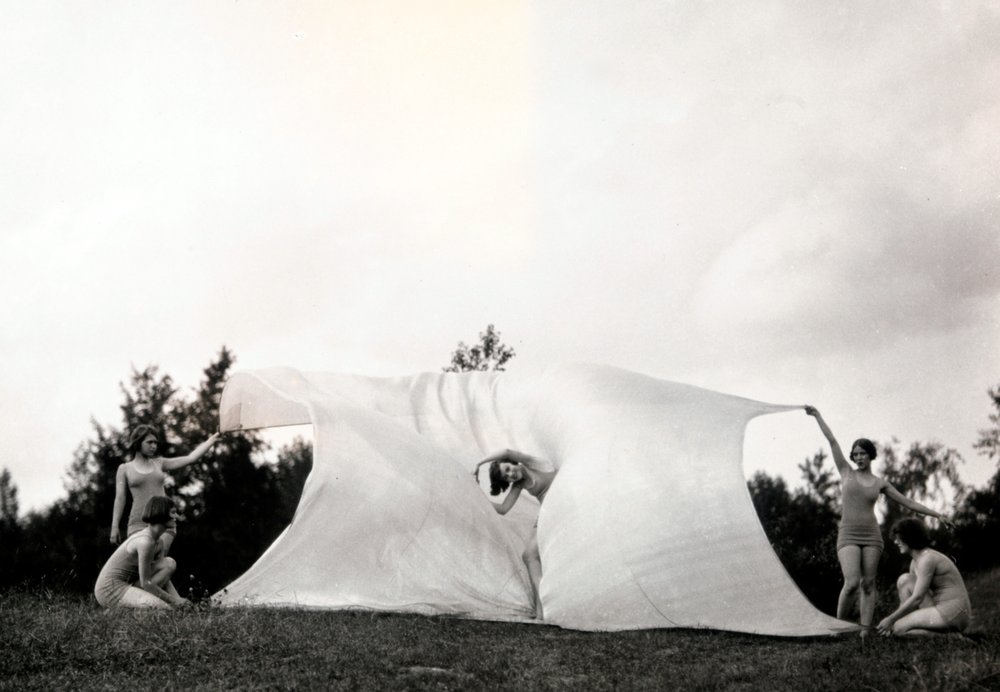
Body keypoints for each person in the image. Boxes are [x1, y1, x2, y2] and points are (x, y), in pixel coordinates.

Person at [804, 406, 953, 635]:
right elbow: (832, 441)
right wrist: (817, 416)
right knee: (852, 582)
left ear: (870, 455)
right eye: (855, 453)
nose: (859, 457)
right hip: (848, 534)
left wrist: (937, 514)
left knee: (868, 584)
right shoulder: (846, 472)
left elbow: (908, 502)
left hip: (872, 536)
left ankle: (865, 632)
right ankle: (837, 630)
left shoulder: (879, 482)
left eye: (863, 453)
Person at [111, 424, 220, 556]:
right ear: (138, 442)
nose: (154, 446)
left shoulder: (159, 463)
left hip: (164, 521)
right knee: (143, 567)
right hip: (138, 524)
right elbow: (120, 498)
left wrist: (211, 440)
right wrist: (115, 526)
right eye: (150, 442)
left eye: (155, 443)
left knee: (158, 561)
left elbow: (190, 458)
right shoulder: (124, 468)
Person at [473, 449, 557, 619]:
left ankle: (544, 611)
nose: (512, 475)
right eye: (507, 477)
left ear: (513, 463)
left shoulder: (531, 463)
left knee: (533, 555)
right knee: (529, 556)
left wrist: (479, 464)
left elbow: (507, 451)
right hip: (549, 512)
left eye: (508, 469)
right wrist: (477, 495)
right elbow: (503, 509)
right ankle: (541, 611)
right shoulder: (518, 485)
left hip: (561, 503)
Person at [877, 518, 971, 636]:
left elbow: (917, 598)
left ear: (910, 537)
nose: (896, 542)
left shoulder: (927, 559)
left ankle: (951, 637)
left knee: (898, 629)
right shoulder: (915, 561)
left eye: (899, 538)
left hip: (954, 612)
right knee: (904, 580)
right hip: (938, 608)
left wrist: (891, 620)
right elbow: (908, 599)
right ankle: (940, 632)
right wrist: (894, 621)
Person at [95, 496, 190, 609]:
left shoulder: (158, 541)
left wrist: (178, 599)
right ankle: (120, 609)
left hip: (130, 584)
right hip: (109, 590)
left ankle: (133, 605)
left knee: (169, 563)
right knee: (166, 611)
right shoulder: (145, 542)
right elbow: (146, 583)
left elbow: (165, 578)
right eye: (173, 513)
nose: (176, 517)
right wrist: (173, 601)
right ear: (161, 513)